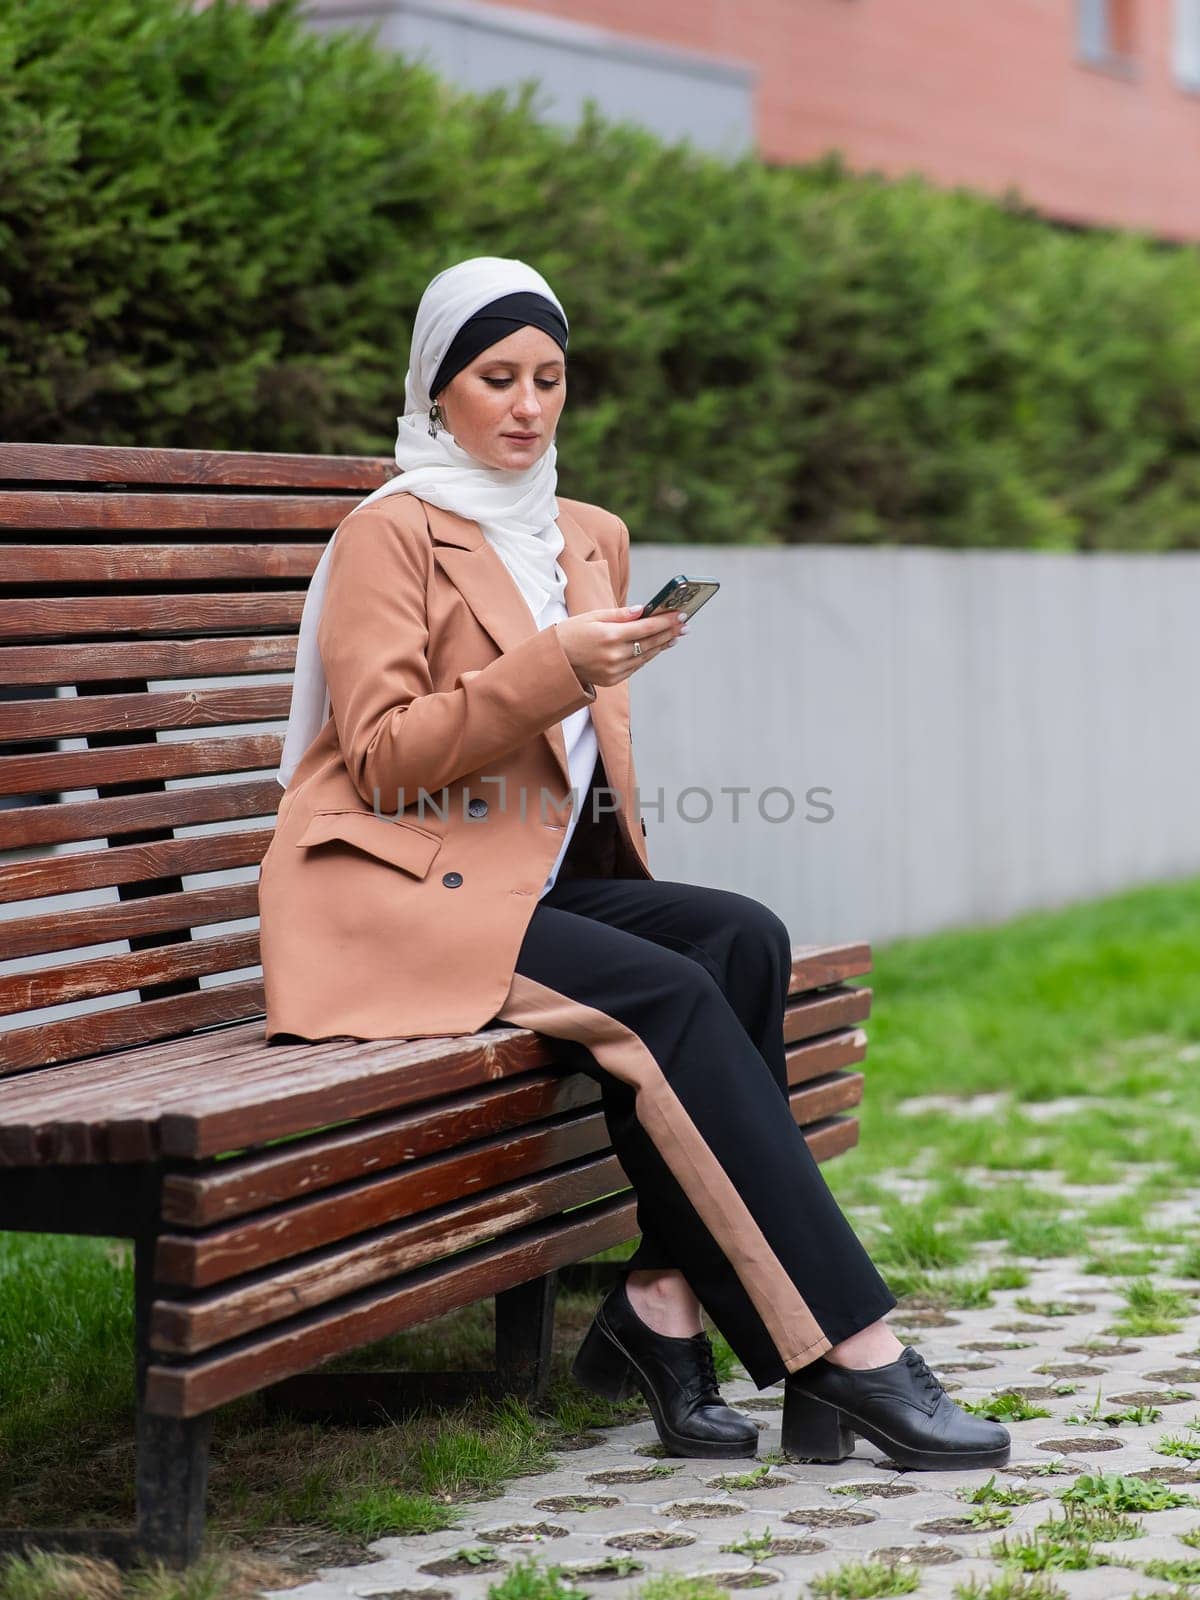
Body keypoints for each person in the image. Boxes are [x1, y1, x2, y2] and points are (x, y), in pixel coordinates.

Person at [260, 256, 1010, 1472]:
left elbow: (576, 754)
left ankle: (660, 1305)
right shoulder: (387, 537)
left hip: (524, 881)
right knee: (668, 996)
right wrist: (559, 662)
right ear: (435, 391)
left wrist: (592, 680)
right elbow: (388, 759)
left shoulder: (581, 532)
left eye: (549, 378)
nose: (527, 405)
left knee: (739, 936)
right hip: (394, 895)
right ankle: (852, 1352)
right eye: (495, 378)